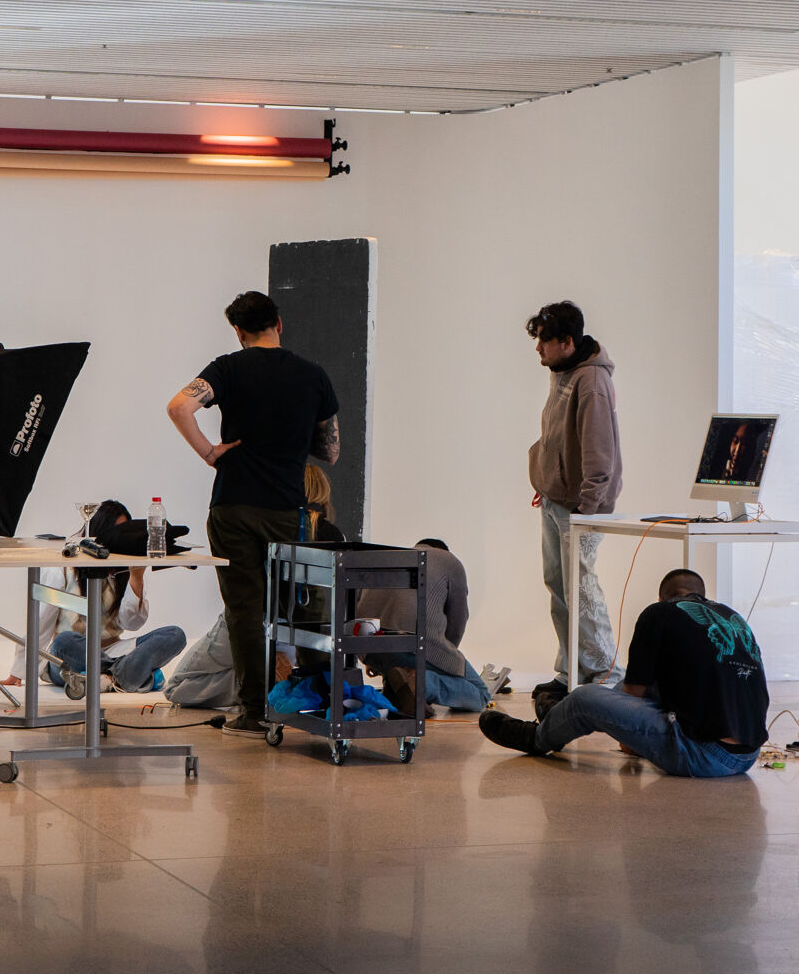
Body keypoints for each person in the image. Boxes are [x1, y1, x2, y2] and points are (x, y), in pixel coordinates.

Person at [167, 290, 339, 736]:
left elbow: (178, 406)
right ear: (279, 323)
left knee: (245, 610)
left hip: (233, 505)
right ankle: (317, 698)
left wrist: (209, 452)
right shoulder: (313, 376)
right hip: (286, 508)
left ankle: (254, 712)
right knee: (299, 607)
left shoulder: (227, 368)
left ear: (239, 332)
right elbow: (331, 451)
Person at [479, 568, 769, 777]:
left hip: (703, 755)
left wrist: (630, 742)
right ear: (702, 596)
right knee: (622, 690)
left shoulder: (658, 614)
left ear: (662, 598)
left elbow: (633, 694)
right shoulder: (732, 617)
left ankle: (538, 737)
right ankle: (558, 717)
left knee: (585, 699)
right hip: (748, 755)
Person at [526, 300, 623, 717]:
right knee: (559, 585)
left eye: (545, 342)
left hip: (581, 508)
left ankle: (603, 674)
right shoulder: (562, 372)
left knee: (581, 589)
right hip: (555, 500)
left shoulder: (592, 382)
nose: (538, 350)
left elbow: (599, 455)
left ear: (567, 341)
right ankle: (570, 672)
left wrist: (584, 511)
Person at [1, 500, 186, 695]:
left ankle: (106, 678)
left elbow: (131, 624)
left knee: (175, 635)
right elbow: (39, 623)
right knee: (64, 641)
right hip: (70, 657)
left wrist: (136, 577)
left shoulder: (125, 568)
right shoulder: (64, 569)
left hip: (113, 649)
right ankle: (129, 674)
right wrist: (18, 672)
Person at [359, 538, 491, 713]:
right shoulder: (450, 561)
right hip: (414, 645)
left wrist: (372, 658)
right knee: (480, 694)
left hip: (367, 648)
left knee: (401, 666)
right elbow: (458, 622)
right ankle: (420, 685)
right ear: (443, 551)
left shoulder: (389, 558)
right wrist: (447, 657)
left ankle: (402, 690)